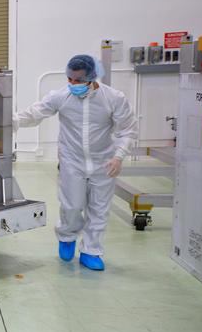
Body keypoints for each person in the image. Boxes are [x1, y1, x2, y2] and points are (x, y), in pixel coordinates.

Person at [14, 53, 138, 270]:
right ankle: (67, 236)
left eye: (78, 81)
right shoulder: (61, 96)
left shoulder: (113, 98)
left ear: (92, 78)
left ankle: (91, 251)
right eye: (70, 79)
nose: (73, 84)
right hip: (72, 161)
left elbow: (128, 129)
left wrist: (118, 156)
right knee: (71, 206)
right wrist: (9, 119)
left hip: (104, 162)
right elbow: (34, 114)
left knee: (99, 209)